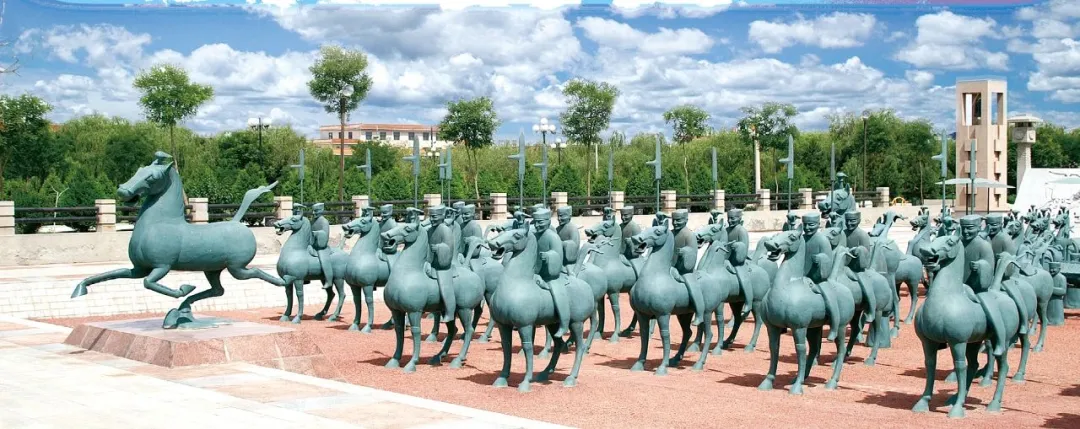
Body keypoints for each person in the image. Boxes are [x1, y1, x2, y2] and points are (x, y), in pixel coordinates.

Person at [959, 215, 1009, 356]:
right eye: (963, 228)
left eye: (970, 228)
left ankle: (999, 339)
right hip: (960, 285)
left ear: (978, 228)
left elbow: (989, 265)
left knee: (990, 308)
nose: (966, 232)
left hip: (978, 287)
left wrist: (981, 265)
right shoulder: (959, 243)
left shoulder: (983, 245)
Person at [802, 213, 842, 341]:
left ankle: (834, 325)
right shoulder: (801, 239)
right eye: (805, 225)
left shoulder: (822, 240)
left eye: (811, 225)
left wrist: (820, 259)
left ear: (818, 224)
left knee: (828, 296)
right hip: (801, 276)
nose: (807, 228)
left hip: (818, 278)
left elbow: (828, 260)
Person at [533, 208, 571, 337]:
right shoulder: (534, 236)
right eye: (535, 222)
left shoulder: (553, 237)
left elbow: (558, 255)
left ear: (548, 222)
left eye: (540, 222)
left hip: (551, 275)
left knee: (557, 291)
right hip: (536, 272)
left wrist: (549, 256)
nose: (537, 225)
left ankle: (564, 323)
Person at [669, 210, 706, 326]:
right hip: (670, 266)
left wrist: (685, 251)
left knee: (692, 285)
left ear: (686, 220)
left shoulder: (689, 235)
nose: (675, 223)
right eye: (674, 220)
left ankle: (699, 313)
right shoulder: (670, 234)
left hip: (684, 269)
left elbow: (693, 252)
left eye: (678, 220)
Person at [427, 205, 456, 323]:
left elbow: (449, 247)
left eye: (434, 217)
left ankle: (450, 311)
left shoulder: (445, 230)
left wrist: (439, 248)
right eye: (430, 216)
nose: (431, 219)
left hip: (442, 265)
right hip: (431, 261)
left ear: (442, 216)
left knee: (445, 284)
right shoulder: (430, 230)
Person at [308, 203, 334, 288]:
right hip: (312, 244)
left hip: (321, 246)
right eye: (313, 211)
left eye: (316, 211)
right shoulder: (312, 221)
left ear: (321, 210)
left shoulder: (324, 222)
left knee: (323, 259)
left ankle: (328, 280)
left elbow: (325, 234)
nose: (313, 213)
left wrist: (316, 234)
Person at [556, 206, 581, 274]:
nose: (559, 219)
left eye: (562, 216)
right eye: (558, 216)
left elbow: (575, 245)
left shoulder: (573, 229)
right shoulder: (557, 229)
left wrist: (563, 244)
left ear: (569, 216)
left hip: (569, 261)